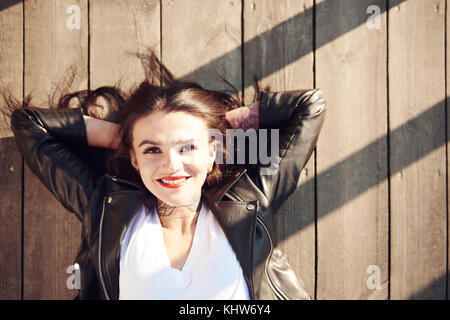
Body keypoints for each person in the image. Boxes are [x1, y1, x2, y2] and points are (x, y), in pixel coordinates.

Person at [3, 48, 326, 300]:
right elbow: (31, 124)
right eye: (152, 150)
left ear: (213, 150)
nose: (171, 165)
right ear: (134, 158)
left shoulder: (251, 195)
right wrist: (124, 135)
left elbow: (309, 105)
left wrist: (220, 125)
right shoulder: (104, 205)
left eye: (187, 147)